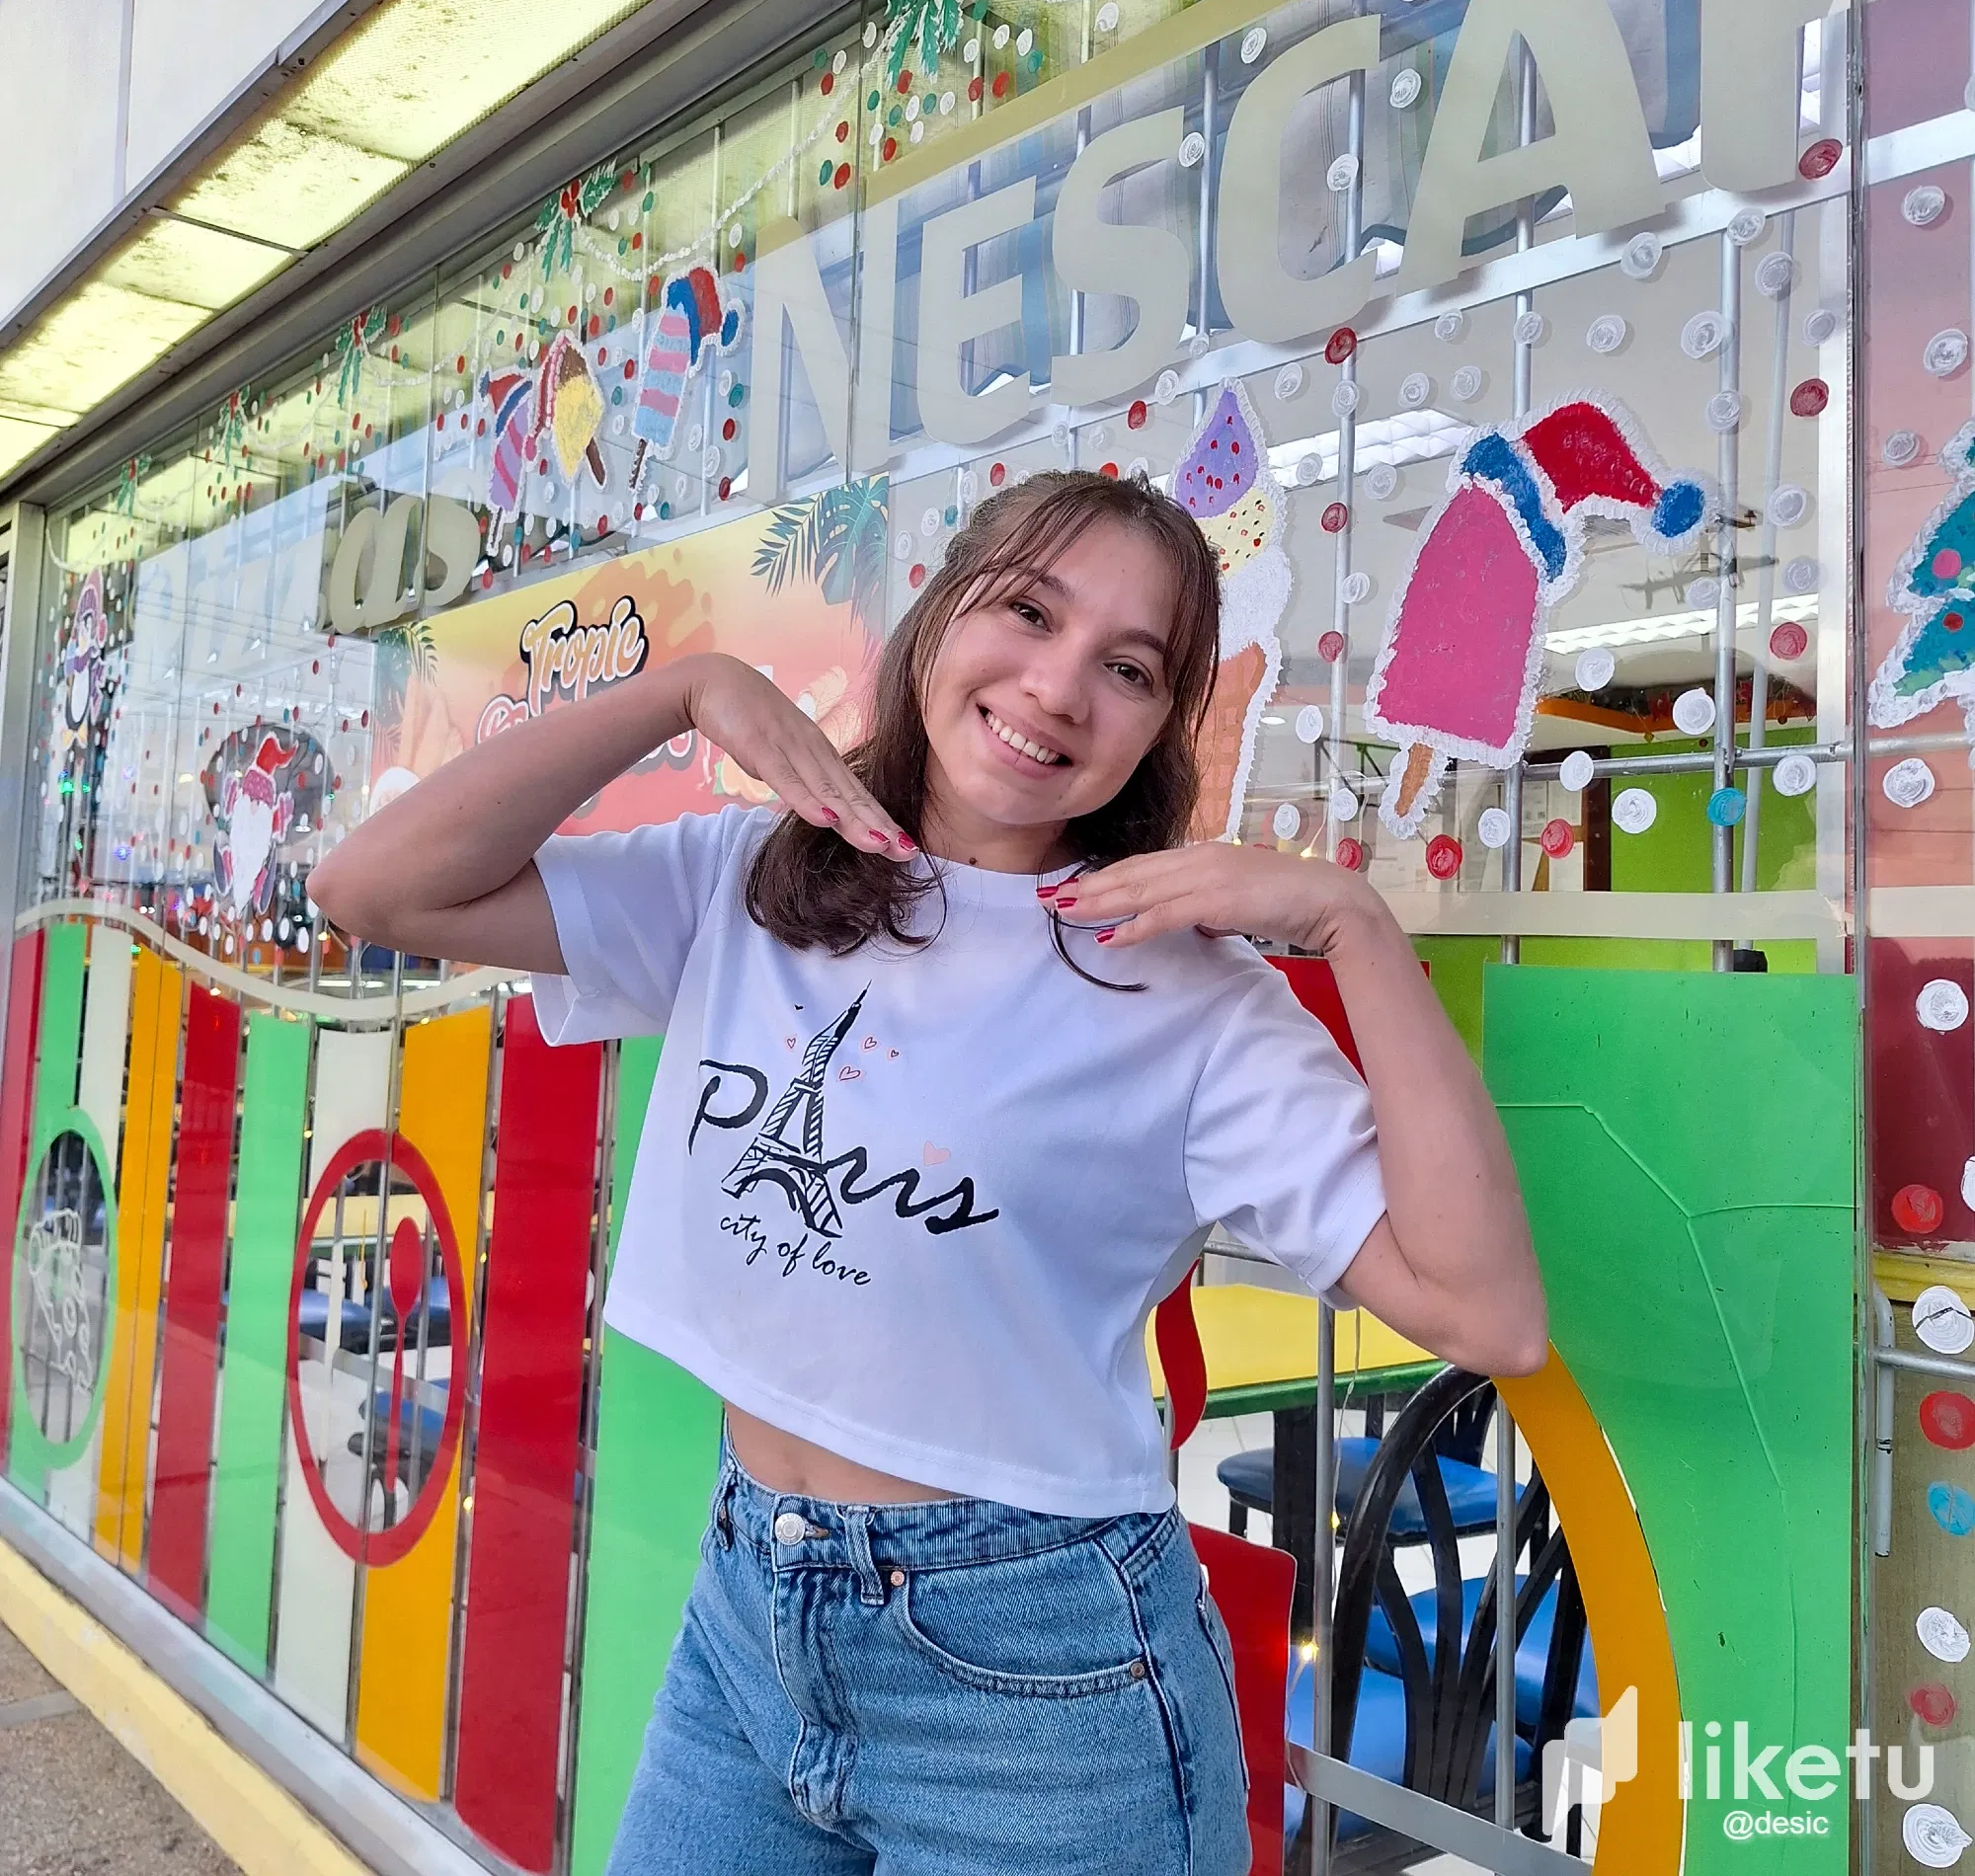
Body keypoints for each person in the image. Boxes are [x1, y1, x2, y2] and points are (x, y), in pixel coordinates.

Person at [309, 471, 1546, 1876]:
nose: (1059, 686)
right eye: (1028, 609)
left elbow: (1487, 1314)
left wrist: (1355, 926)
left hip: (1044, 1686)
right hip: (748, 1616)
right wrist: (684, 691)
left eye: (1128, 669)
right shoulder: (755, 878)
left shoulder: (1188, 994)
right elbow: (376, 891)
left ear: (1158, 729)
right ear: (941, 611)